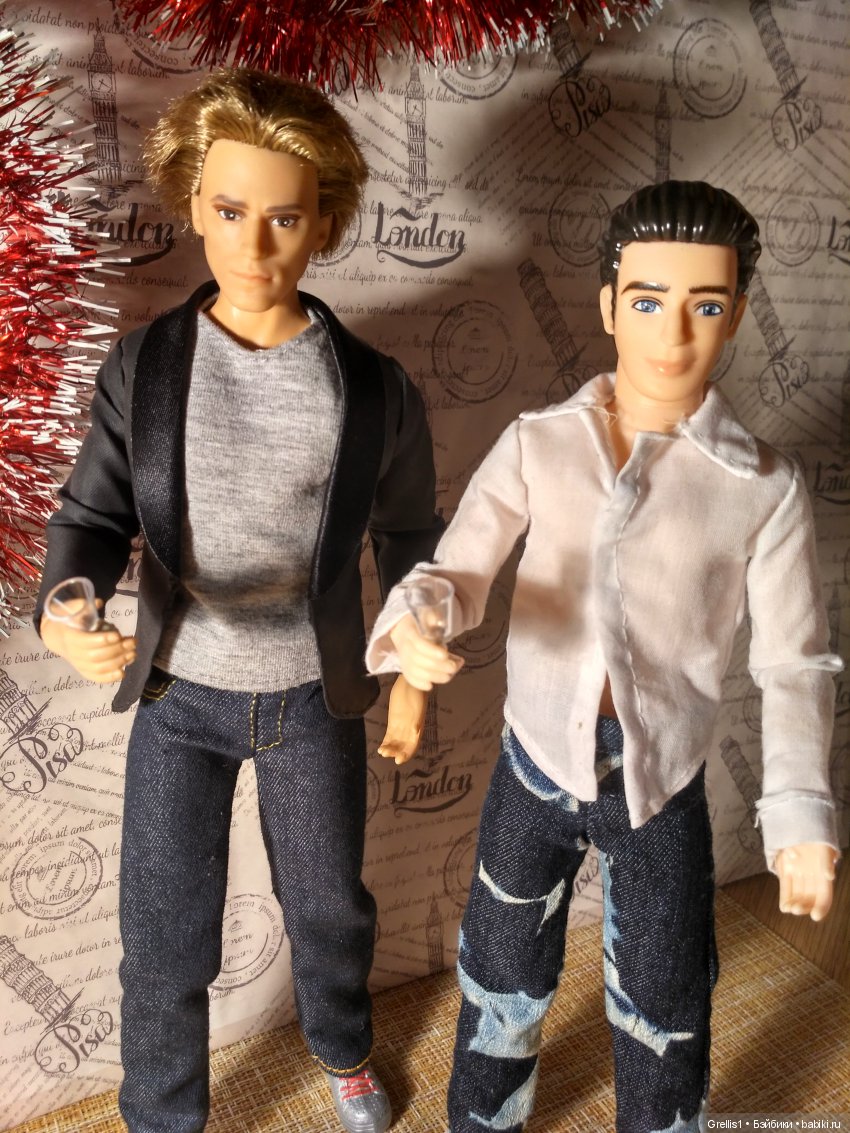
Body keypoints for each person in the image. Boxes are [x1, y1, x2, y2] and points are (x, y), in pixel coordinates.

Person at [366, 181, 842, 1133]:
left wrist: (798, 810)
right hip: (534, 760)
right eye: (649, 301)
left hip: (660, 781)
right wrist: (418, 625)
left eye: (706, 305)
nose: (675, 334)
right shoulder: (541, 444)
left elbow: (793, 662)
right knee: (499, 969)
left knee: (665, 998)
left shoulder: (761, 486)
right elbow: (458, 568)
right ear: (609, 305)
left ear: (738, 313)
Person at [35, 67, 443, 1133]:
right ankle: (161, 1110)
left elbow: (410, 536)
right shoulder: (146, 367)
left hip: (312, 693)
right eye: (228, 212)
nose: (253, 246)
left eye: (284, 219)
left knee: (328, 905)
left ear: (324, 223)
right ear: (192, 202)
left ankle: (342, 1046)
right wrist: (68, 601)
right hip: (179, 694)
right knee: (164, 926)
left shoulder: (371, 387)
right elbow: (91, 513)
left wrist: (410, 667)